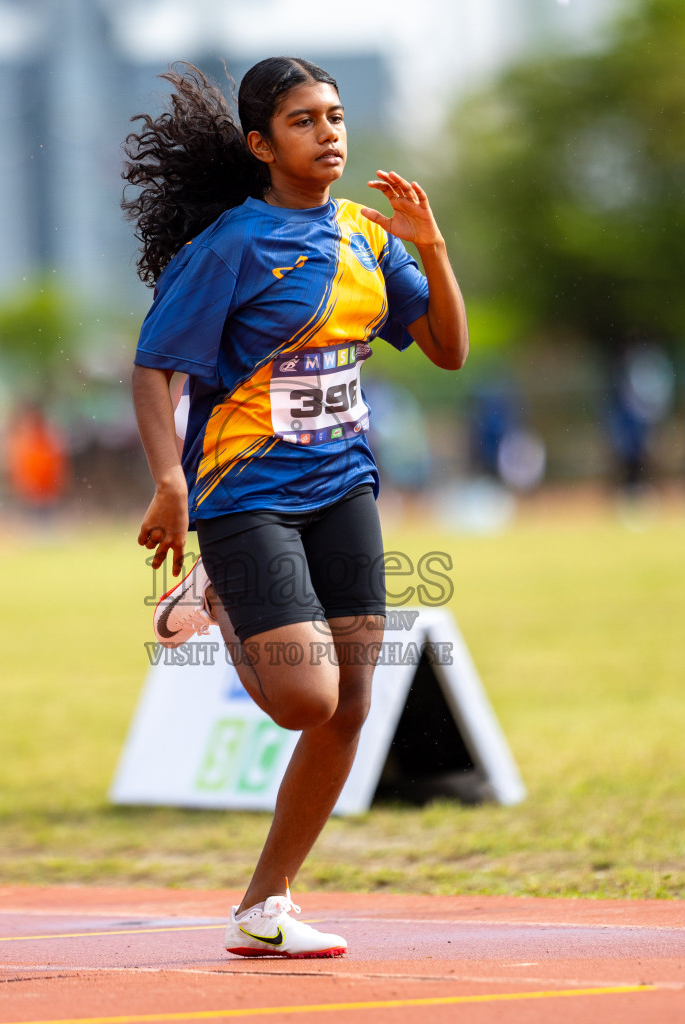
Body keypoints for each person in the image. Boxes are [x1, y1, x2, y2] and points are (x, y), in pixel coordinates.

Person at [124, 58, 467, 959]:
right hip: (243, 492)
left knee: (351, 705)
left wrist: (428, 245)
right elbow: (152, 366)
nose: (330, 134)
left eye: (337, 117)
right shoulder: (232, 246)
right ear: (259, 144)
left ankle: (263, 904)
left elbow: (447, 351)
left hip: (343, 484)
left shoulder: (364, 235)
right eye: (305, 121)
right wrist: (169, 484)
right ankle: (217, 588)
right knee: (303, 701)